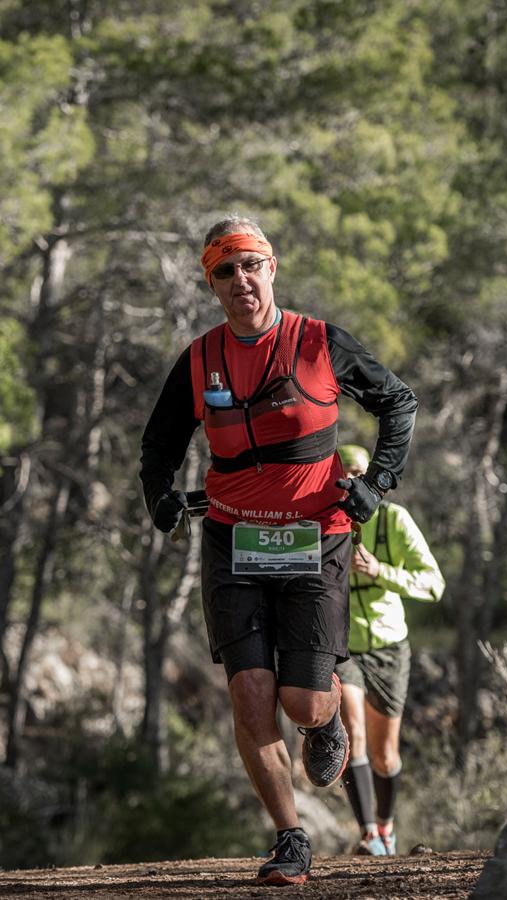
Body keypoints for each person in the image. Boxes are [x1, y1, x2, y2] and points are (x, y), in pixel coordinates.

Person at [139, 216, 418, 886]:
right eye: (224, 271)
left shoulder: (320, 342)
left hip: (316, 539)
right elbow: (160, 444)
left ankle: (323, 724)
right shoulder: (201, 359)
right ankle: (290, 838)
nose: (241, 281)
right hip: (232, 538)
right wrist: (163, 499)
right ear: (212, 285)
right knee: (250, 692)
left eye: (250, 265)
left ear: (272, 268)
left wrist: (375, 485)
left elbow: (398, 404)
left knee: (301, 702)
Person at [333, 443, 444, 857]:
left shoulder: (393, 521)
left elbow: (433, 584)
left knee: (385, 753)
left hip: (389, 645)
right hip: (343, 647)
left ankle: (386, 826)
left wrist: (379, 571)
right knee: (353, 735)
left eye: (359, 475)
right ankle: (368, 836)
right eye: (343, 475)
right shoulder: (324, 523)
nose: (351, 484)